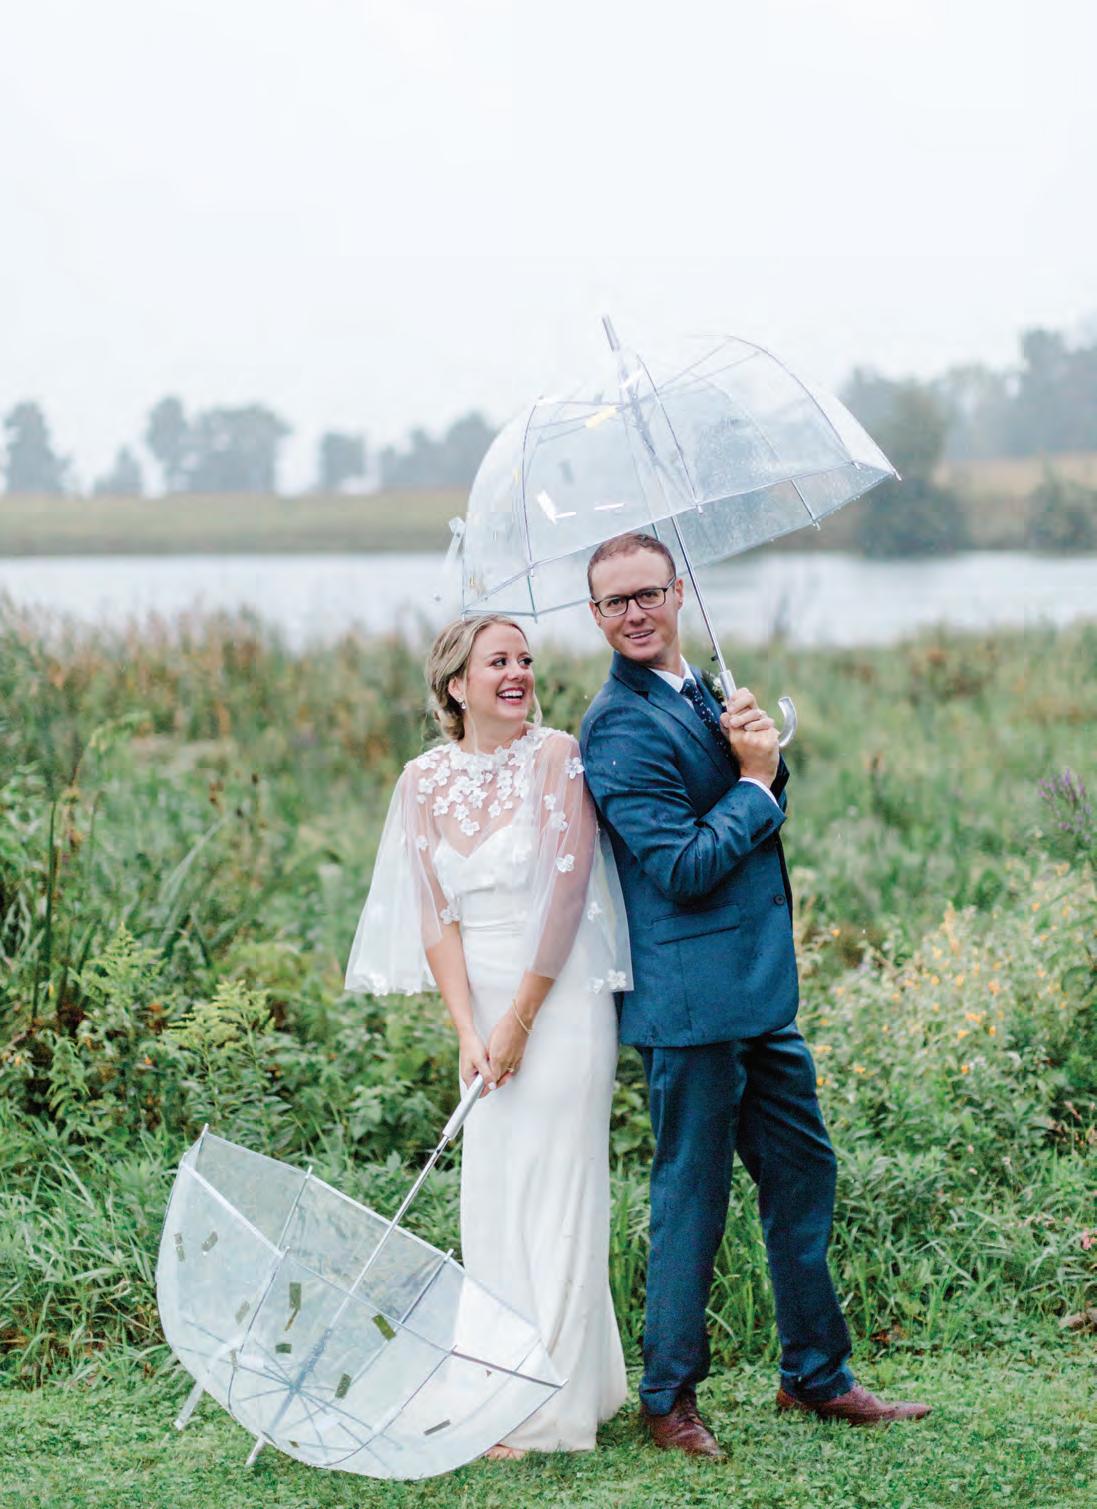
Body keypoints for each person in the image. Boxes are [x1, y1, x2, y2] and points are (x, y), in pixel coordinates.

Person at [579, 531, 930, 1460]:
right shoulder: (614, 725)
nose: (635, 613)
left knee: (803, 1171)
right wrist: (753, 779)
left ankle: (814, 1372)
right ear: (595, 616)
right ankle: (667, 1395)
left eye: (647, 592)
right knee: (691, 1198)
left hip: (759, 993)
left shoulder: (703, 689)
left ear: (678, 590)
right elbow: (681, 866)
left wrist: (764, 757)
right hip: (689, 1003)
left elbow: (758, 808)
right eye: (615, 601)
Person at [345, 613, 630, 1456]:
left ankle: (553, 1409)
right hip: (484, 1006)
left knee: (558, 1191)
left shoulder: (556, 757)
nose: (517, 673)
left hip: (559, 998)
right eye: (497, 661)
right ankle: (512, 1382)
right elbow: (435, 915)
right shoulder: (420, 781)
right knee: (495, 1197)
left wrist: (520, 1019)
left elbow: (567, 897)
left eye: (524, 659)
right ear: (455, 685)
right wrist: (469, 1029)